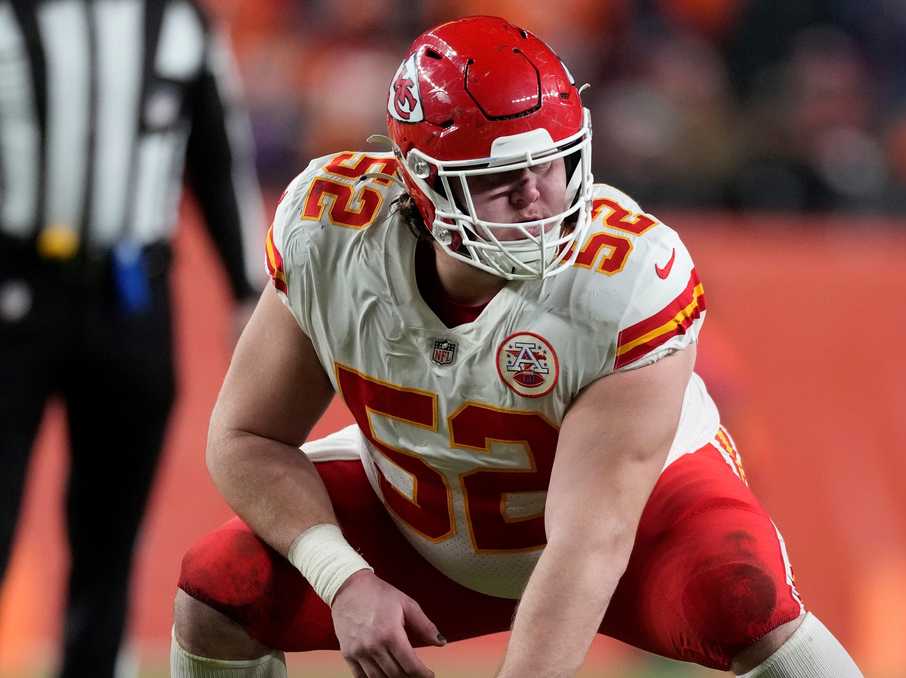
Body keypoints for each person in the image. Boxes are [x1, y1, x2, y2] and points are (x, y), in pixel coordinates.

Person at [170, 15, 862, 678]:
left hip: (633, 529)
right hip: (424, 515)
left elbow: (591, 542)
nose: (538, 198)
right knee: (219, 588)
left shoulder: (623, 277)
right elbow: (247, 435)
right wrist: (343, 577)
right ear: (423, 181)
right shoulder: (335, 232)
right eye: (500, 179)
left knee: (744, 600)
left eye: (553, 165)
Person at [0, 0, 261, 676]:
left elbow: (217, 148)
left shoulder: (177, 21)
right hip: (12, 291)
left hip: (132, 297)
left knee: (112, 528)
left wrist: (245, 289)